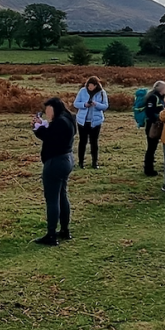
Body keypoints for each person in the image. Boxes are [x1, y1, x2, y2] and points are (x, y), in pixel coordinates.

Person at [30, 97, 76, 246]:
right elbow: (51, 134)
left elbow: (48, 137)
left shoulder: (59, 122)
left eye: (47, 110)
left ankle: (51, 235)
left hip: (55, 162)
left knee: (52, 199)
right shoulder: (68, 119)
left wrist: (38, 128)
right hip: (67, 159)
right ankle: (64, 230)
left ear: (53, 108)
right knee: (62, 195)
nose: (46, 113)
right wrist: (41, 126)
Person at [72, 76, 108, 168]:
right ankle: (80, 163)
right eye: (89, 85)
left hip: (95, 122)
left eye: (92, 86)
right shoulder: (82, 91)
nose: (90, 87)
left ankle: (94, 163)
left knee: (94, 142)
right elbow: (75, 103)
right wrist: (85, 104)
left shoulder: (102, 93)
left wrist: (96, 104)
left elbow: (105, 106)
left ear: (96, 85)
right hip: (82, 121)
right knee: (82, 141)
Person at [142, 80, 165, 177]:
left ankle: (150, 166)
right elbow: (149, 112)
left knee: (153, 146)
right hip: (153, 125)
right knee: (151, 147)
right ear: (160, 88)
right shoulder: (153, 98)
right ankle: (148, 169)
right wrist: (157, 120)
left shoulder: (159, 98)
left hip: (157, 124)